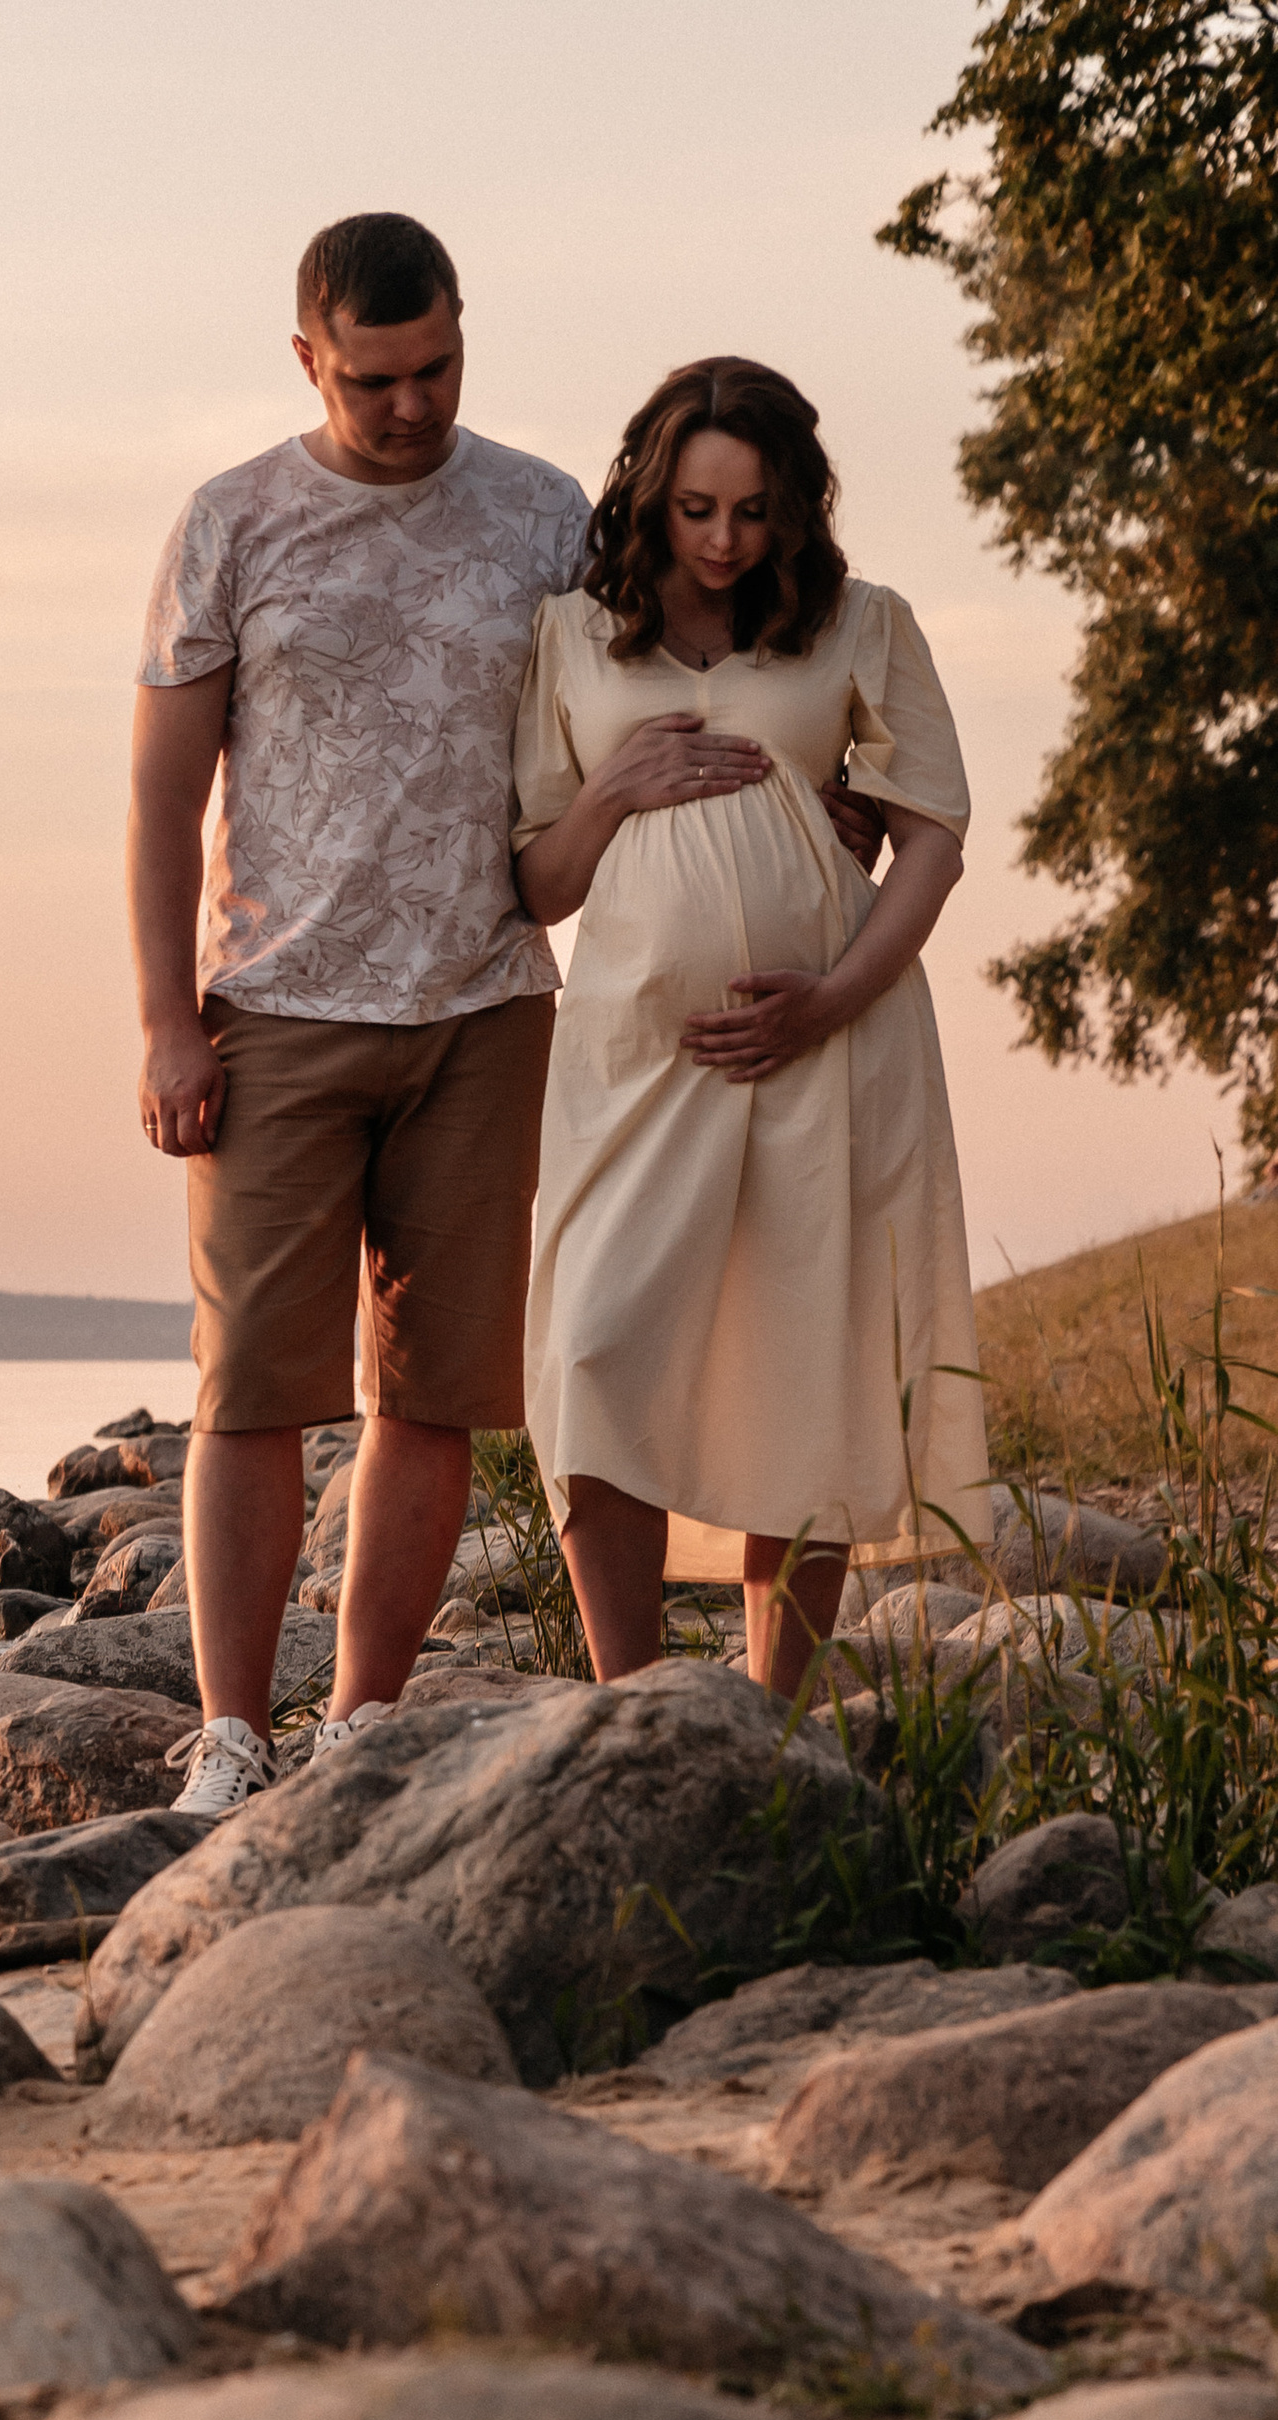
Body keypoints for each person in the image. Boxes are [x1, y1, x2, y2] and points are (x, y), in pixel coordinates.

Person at [128, 211, 590, 1816]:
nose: (414, 406)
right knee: (254, 1387)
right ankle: (233, 1733)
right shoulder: (232, 523)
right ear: (310, 358)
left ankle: (358, 1725)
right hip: (276, 1006)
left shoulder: (545, 517)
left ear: (465, 330)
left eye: (439, 367)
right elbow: (162, 793)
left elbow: (637, 713)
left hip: (484, 1000)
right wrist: (165, 1021)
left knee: (437, 1389)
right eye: (377, 380)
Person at [511, 356, 991, 1694]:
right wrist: (614, 793)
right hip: (634, 1057)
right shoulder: (570, 637)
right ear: (650, 501)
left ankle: (774, 1724)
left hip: (832, 1043)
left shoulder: (860, 622)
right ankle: (635, 1702)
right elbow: (538, 883)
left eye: (756, 512)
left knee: (804, 1367)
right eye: (697, 512)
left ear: (795, 509)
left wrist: (833, 999)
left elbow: (935, 841)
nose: (726, 542)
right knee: (593, 1350)